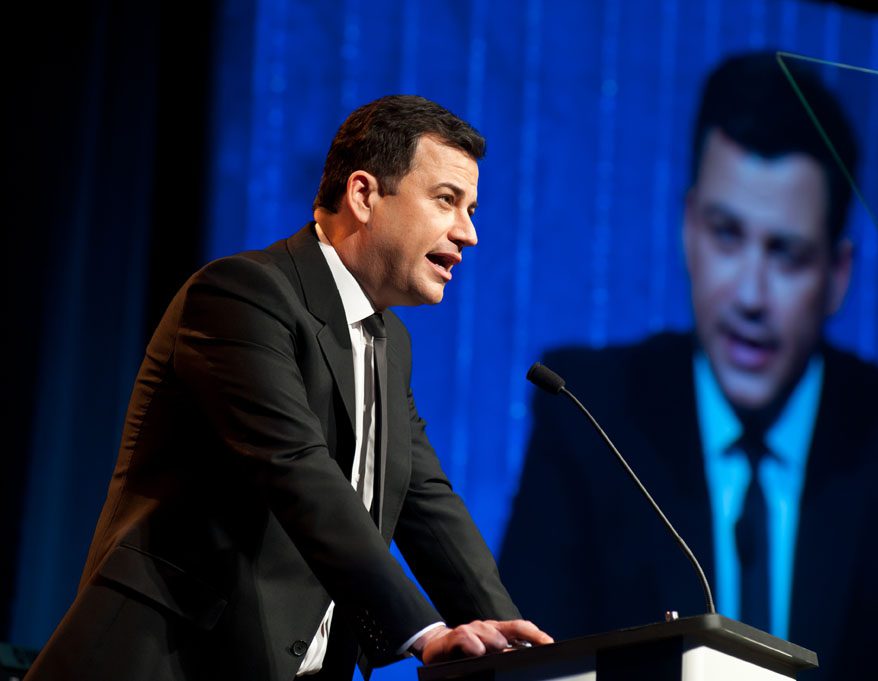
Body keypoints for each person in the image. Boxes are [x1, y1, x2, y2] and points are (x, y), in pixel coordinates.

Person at [499, 52, 878, 681]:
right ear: (688, 230)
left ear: (837, 274)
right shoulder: (591, 411)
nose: (751, 295)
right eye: (727, 234)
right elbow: (529, 663)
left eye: (786, 253)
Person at [26, 95, 551, 681]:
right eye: (447, 201)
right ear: (363, 195)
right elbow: (296, 470)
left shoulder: (389, 342)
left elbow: (426, 504)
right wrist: (424, 632)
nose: (469, 233)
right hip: (164, 660)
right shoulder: (243, 295)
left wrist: (517, 649)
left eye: (471, 208)